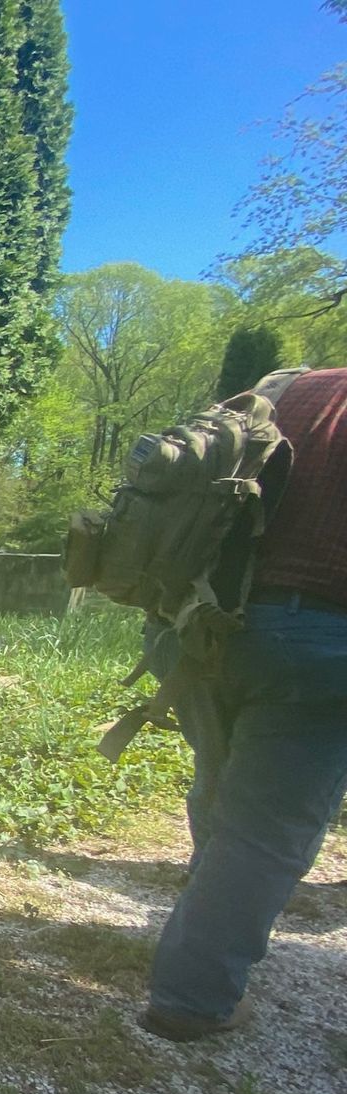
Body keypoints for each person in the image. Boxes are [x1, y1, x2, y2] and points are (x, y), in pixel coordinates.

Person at [142, 366, 347, 1042]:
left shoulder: (290, 387)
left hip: (199, 626)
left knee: (224, 782)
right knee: (265, 832)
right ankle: (193, 996)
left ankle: (204, 923)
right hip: (322, 642)